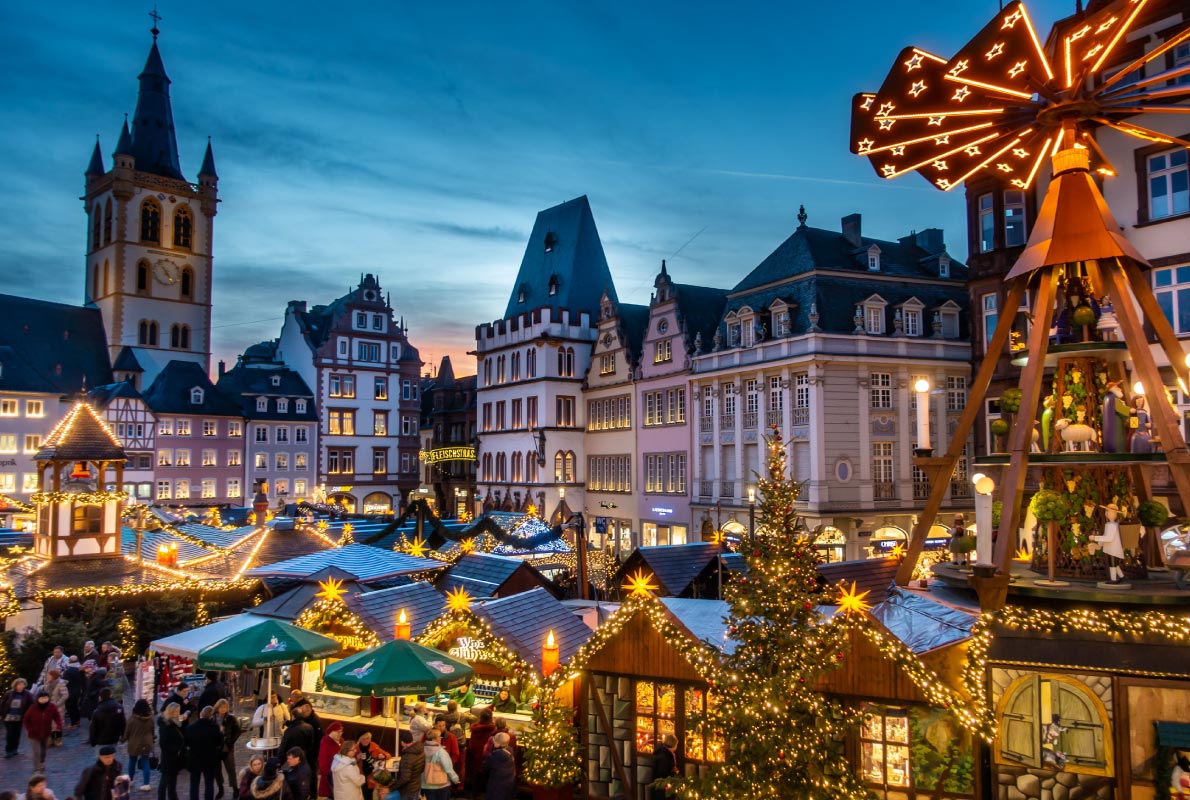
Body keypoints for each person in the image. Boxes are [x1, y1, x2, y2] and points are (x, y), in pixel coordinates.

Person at [186, 706, 225, 800]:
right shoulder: (215, 728)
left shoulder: (191, 727)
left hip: (195, 759)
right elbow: (219, 743)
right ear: (211, 716)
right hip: (209, 760)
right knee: (209, 783)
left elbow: (187, 743)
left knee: (194, 784)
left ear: (201, 714)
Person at [22, 690, 62, 773]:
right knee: (37, 751)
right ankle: (36, 769)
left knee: (43, 750)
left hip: (46, 733)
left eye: (45, 698)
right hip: (33, 734)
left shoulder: (51, 707)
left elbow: (57, 716)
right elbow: (26, 719)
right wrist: (30, 728)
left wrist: (59, 725)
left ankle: (42, 762)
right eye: (42, 698)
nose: (44, 700)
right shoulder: (33, 707)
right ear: (38, 699)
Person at [122, 699, 155, 792]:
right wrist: (153, 739)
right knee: (145, 762)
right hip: (147, 743)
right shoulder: (150, 719)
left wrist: (123, 739)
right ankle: (146, 783)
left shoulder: (132, 719)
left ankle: (130, 780)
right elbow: (152, 731)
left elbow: (127, 732)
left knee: (132, 761)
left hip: (134, 743)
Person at [157, 703, 186, 800]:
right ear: (170, 712)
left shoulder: (175, 722)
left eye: (178, 711)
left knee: (172, 782)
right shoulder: (166, 725)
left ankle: (173, 797)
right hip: (168, 757)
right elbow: (163, 744)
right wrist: (176, 748)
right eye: (176, 711)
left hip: (174, 757)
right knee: (165, 781)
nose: (178, 713)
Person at [215, 698, 243, 797]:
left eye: (225, 707)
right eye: (221, 707)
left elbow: (238, 731)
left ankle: (235, 789)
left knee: (231, 769)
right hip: (216, 748)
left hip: (227, 747)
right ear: (217, 707)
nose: (223, 709)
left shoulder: (231, 718)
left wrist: (231, 742)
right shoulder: (213, 718)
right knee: (217, 770)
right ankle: (220, 788)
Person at [420, 730, 459, 800]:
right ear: (434, 739)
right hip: (441, 785)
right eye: (439, 737)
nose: (441, 738)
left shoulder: (421, 750)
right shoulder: (441, 752)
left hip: (426, 784)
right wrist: (455, 779)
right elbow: (448, 768)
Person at [464, 708, 496, 794]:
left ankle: (474, 793)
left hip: (474, 756)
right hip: (486, 757)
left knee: (475, 776)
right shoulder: (492, 729)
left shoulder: (475, 728)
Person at [1, 677, 34, 757]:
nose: (20, 686)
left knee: (16, 734)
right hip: (8, 717)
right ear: (15, 685)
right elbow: (2, 704)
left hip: (19, 717)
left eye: (22, 684)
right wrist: (1, 714)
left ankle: (14, 749)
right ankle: (9, 750)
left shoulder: (27, 694)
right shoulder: (9, 693)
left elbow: (32, 705)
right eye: (18, 684)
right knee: (10, 734)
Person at [355, 731, 390, 800]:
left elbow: (388, 755)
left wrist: (383, 756)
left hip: (372, 775)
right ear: (360, 740)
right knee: (364, 794)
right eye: (363, 739)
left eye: (368, 738)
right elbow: (350, 762)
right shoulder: (356, 748)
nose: (366, 741)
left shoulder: (374, 746)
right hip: (360, 775)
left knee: (370, 793)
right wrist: (357, 758)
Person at [482, 732, 515, 800]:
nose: (493, 742)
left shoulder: (495, 755)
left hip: (496, 784)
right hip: (509, 783)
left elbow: (486, 766)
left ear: (499, 743)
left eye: (495, 741)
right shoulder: (510, 750)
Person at [391, 731, 423, 800]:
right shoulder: (420, 749)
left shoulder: (407, 756)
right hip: (416, 785)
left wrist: (392, 787)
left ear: (402, 742)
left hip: (408, 790)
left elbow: (405, 778)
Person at [317, 721, 345, 798]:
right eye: (337, 732)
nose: (340, 734)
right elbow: (323, 764)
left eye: (341, 732)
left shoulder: (341, 741)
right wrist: (330, 777)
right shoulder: (325, 743)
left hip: (341, 776)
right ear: (331, 732)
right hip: (331, 777)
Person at [41, 668, 68, 746]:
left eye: (49, 676)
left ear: (53, 676)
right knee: (50, 723)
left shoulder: (61, 683)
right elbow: (45, 692)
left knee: (58, 723)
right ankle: (51, 739)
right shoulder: (48, 683)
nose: (47, 677)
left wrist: (58, 703)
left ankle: (59, 739)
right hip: (48, 706)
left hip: (58, 707)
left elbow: (65, 695)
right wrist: (48, 684)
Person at [650, 734, 678, 800]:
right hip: (662, 790)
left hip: (658, 788)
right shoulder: (665, 755)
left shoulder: (661, 752)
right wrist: (674, 772)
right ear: (673, 745)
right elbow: (663, 774)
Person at [63, 656, 84, 728]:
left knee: (70, 707)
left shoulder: (68, 671)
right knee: (75, 706)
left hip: (70, 691)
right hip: (78, 690)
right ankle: (77, 721)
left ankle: (73, 723)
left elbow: (65, 681)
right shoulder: (80, 669)